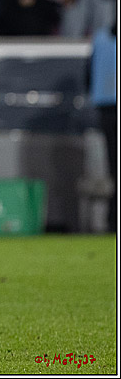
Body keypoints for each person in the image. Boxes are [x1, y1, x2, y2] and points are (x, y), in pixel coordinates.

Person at [88, 21, 116, 231]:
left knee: (114, 167)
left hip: (106, 106)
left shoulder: (100, 39)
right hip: (109, 105)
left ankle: (112, 220)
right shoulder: (100, 39)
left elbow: (88, 73)